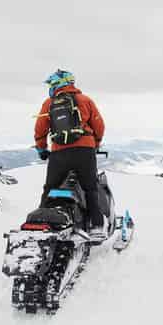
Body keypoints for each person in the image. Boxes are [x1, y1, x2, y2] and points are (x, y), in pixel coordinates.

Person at [34, 69, 106, 238]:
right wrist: (94, 144)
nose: (50, 87)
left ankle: (40, 219)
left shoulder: (48, 103)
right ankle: (96, 225)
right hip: (84, 152)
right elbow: (99, 126)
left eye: (52, 84)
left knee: (50, 188)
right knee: (90, 188)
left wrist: (41, 148)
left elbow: (40, 129)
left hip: (59, 153)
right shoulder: (85, 100)